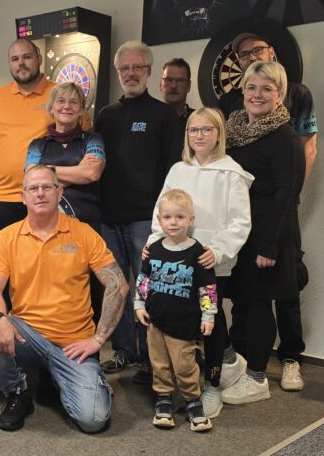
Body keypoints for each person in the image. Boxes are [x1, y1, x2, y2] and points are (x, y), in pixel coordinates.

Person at [0, 165, 128, 433]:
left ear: (59, 192)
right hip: (27, 335)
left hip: (72, 344)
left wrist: (99, 340)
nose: (40, 193)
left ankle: (60, 378)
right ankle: (18, 390)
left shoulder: (83, 233)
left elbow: (118, 284)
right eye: (33, 188)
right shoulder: (8, 236)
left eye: (47, 187)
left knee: (93, 420)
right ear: (23, 196)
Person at [219, 32, 317, 390]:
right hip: (240, 230)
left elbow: (287, 190)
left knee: (266, 301)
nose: (257, 95)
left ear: (279, 95)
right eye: (251, 88)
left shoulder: (284, 135)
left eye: (266, 89)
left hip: (268, 231)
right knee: (244, 301)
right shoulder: (234, 130)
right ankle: (241, 368)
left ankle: (263, 374)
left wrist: (270, 246)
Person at [143, 107, 253, 417]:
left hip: (209, 261)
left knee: (211, 325)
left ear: (219, 134)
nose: (199, 135)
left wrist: (217, 251)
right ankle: (180, 383)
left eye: (207, 130)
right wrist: (154, 243)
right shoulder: (178, 170)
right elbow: (162, 211)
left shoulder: (231, 173)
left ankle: (212, 384)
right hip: (176, 262)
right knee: (181, 320)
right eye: (193, 130)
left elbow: (240, 222)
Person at [96, 41, 182, 383]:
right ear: (118, 72)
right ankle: (122, 351)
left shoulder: (164, 115)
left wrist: (164, 215)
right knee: (116, 287)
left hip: (145, 218)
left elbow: (172, 169)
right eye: (125, 68)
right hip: (108, 218)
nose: (130, 73)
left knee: (149, 287)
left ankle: (150, 358)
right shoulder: (105, 116)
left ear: (148, 71)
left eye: (137, 67)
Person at [0, 39, 90, 239]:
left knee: (49, 255)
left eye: (27, 57)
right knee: (5, 256)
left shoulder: (61, 96)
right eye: (15, 59)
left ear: (39, 59)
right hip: (3, 197)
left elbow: (81, 138)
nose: (21, 63)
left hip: (46, 196)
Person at [134, 189, 217, 432]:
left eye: (180, 217)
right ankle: (163, 399)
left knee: (184, 365)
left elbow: (207, 288)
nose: (173, 222)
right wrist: (139, 304)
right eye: (168, 217)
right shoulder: (153, 248)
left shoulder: (198, 252)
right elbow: (143, 280)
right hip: (155, 322)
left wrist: (208, 315)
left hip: (184, 323)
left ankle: (193, 401)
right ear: (159, 220)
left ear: (191, 220)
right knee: (159, 363)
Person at [218, 32, 318, 181]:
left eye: (257, 50)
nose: (252, 57)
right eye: (244, 54)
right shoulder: (227, 101)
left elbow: (309, 150)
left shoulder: (298, 94)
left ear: (271, 52)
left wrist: (294, 189)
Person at [24, 82, 105, 229]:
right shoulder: (37, 145)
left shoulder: (93, 139)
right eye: (61, 101)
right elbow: (31, 178)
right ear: (51, 107)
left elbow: (91, 173)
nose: (67, 106)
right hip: (47, 226)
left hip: (88, 225)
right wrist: (78, 171)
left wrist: (45, 173)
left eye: (74, 102)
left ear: (81, 110)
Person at [159, 58, 194, 133]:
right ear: (160, 85)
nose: (174, 86)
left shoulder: (199, 120)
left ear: (188, 86)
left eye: (180, 80)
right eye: (168, 80)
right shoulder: (148, 119)